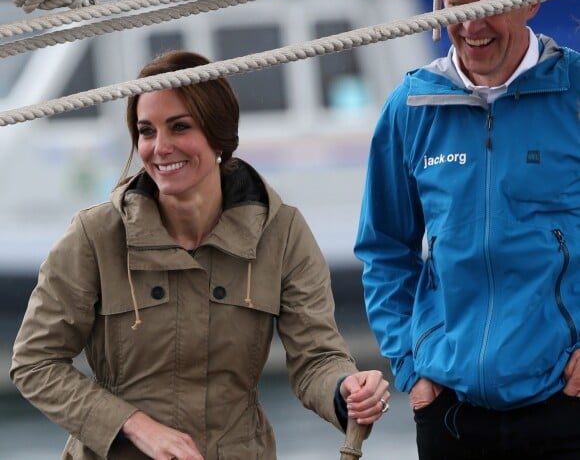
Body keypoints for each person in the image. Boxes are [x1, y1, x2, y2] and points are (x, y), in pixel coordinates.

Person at [11, 50, 390, 460]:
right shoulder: (94, 236)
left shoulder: (282, 233)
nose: (160, 147)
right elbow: (35, 363)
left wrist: (346, 390)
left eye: (179, 127)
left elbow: (317, 358)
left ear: (219, 135)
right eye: (146, 131)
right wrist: (137, 426)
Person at [355, 0, 580, 459]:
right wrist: (414, 372)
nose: (471, 26)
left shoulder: (575, 93)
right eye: (458, 7)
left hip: (566, 404)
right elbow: (384, 249)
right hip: (449, 412)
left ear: (531, 1)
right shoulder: (411, 107)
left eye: (491, 7)